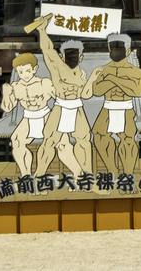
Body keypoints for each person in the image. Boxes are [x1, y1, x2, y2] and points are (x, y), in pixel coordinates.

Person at [25, 12, 96, 179]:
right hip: (61, 105)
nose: (72, 58)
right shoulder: (58, 67)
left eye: (75, 55)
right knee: (49, 141)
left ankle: (88, 177)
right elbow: (48, 50)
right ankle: (39, 175)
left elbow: (85, 94)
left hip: (77, 106)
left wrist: (92, 79)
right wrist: (42, 31)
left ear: (81, 56)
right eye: (69, 55)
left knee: (84, 141)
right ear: (63, 56)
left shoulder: (82, 73)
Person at [86, 33, 141, 176]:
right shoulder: (103, 69)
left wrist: (113, 79)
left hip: (126, 107)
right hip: (108, 107)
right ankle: (112, 170)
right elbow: (97, 90)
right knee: (99, 135)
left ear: (127, 50)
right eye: (113, 48)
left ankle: (128, 174)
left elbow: (138, 90)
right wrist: (123, 83)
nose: (116, 51)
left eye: (119, 48)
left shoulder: (135, 71)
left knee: (128, 140)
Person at [0, 52, 55, 178]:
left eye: (28, 71)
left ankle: (41, 172)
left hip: (45, 115)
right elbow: (7, 108)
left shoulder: (44, 83)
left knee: (54, 143)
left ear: (34, 69)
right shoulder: (16, 86)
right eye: (21, 72)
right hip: (28, 117)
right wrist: (6, 94)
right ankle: (26, 174)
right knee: (16, 140)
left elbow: (60, 98)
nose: (25, 75)